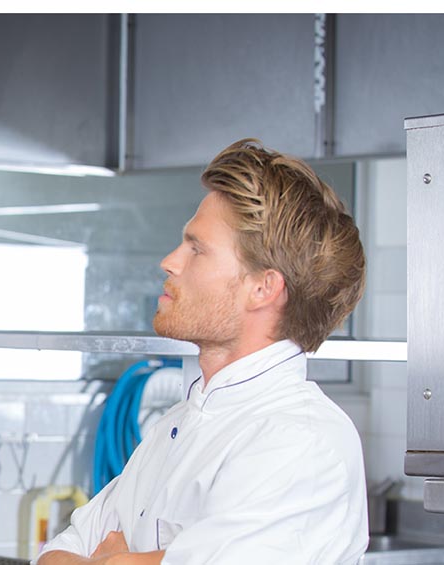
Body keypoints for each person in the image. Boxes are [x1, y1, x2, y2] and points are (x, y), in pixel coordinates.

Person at [37, 140, 368, 564]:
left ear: (262, 288)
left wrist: (120, 558)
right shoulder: (173, 426)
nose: (170, 261)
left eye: (197, 248)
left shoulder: (302, 442)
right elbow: (59, 553)